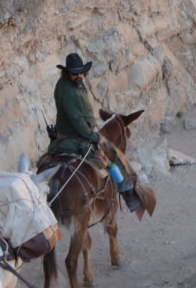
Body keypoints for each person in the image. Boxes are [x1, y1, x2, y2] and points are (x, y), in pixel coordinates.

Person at [47, 52, 144, 214]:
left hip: (68, 132)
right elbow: (77, 122)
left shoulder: (67, 83)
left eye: (81, 72)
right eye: (75, 73)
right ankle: (129, 195)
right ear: (67, 72)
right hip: (76, 136)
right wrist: (96, 137)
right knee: (112, 155)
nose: (79, 75)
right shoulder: (68, 92)